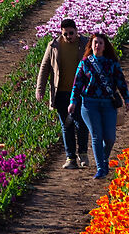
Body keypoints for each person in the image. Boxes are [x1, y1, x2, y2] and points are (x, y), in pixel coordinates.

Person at [35, 16, 91, 171]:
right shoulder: (53, 46)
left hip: (80, 92)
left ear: (76, 31)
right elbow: (44, 68)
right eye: (65, 34)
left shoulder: (85, 44)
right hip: (60, 92)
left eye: (71, 33)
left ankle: (83, 153)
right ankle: (70, 158)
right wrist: (40, 89)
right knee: (66, 125)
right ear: (61, 32)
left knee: (80, 123)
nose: (69, 37)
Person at [73, 31, 129, 178]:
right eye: (95, 43)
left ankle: (104, 160)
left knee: (110, 138)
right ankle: (101, 168)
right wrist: (73, 102)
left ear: (105, 46)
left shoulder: (111, 63)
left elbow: (120, 82)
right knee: (97, 136)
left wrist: (127, 99)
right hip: (89, 104)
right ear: (91, 46)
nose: (97, 45)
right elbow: (77, 84)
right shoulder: (85, 63)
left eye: (100, 43)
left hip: (108, 104)